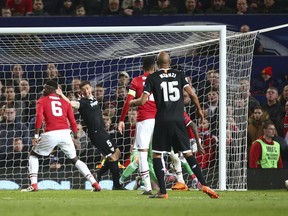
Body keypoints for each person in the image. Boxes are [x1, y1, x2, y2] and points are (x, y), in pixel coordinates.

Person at [129, 51, 219, 199]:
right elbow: (192, 95)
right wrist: (200, 110)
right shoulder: (179, 74)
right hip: (179, 119)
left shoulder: (152, 77)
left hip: (162, 120)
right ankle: (204, 184)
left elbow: (143, 101)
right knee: (188, 153)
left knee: (157, 154)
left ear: (157, 64)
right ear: (169, 62)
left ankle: (163, 192)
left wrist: (133, 102)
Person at [21, 80, 101, 192]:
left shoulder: (41, 100)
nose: (43, 90)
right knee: (75, 160)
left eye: (45, 88)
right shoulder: (64, 102)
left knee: (33, 155)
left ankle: (34, 185)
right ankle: (95, 184)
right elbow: (72, 120)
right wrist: (75, 135)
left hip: (51, 133)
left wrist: (35, 135)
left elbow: (39, 118)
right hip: (65, 133)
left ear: (50, 89)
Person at [57, 80, 125, 190]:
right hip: (96, 134)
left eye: (88, 88)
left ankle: (98, 175)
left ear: (91, 88)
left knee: (117, 153)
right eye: (84, 90)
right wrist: (61, 95)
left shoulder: (93, 98)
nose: (86, 91)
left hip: (103, 132)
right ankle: (116, 184)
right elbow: (70, 104)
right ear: (81, 92)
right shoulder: (82, 102)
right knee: (113, 156)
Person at [118, 56, 156, 195]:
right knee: (158, 155)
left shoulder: (136, 81)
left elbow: (128, 101)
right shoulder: (158, 80)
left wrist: (122, 120)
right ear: (154, 68)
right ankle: (165, 185)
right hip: (159, 121)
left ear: (142, 68)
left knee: (143, 154)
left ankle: (148, 187)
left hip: (144, 121)